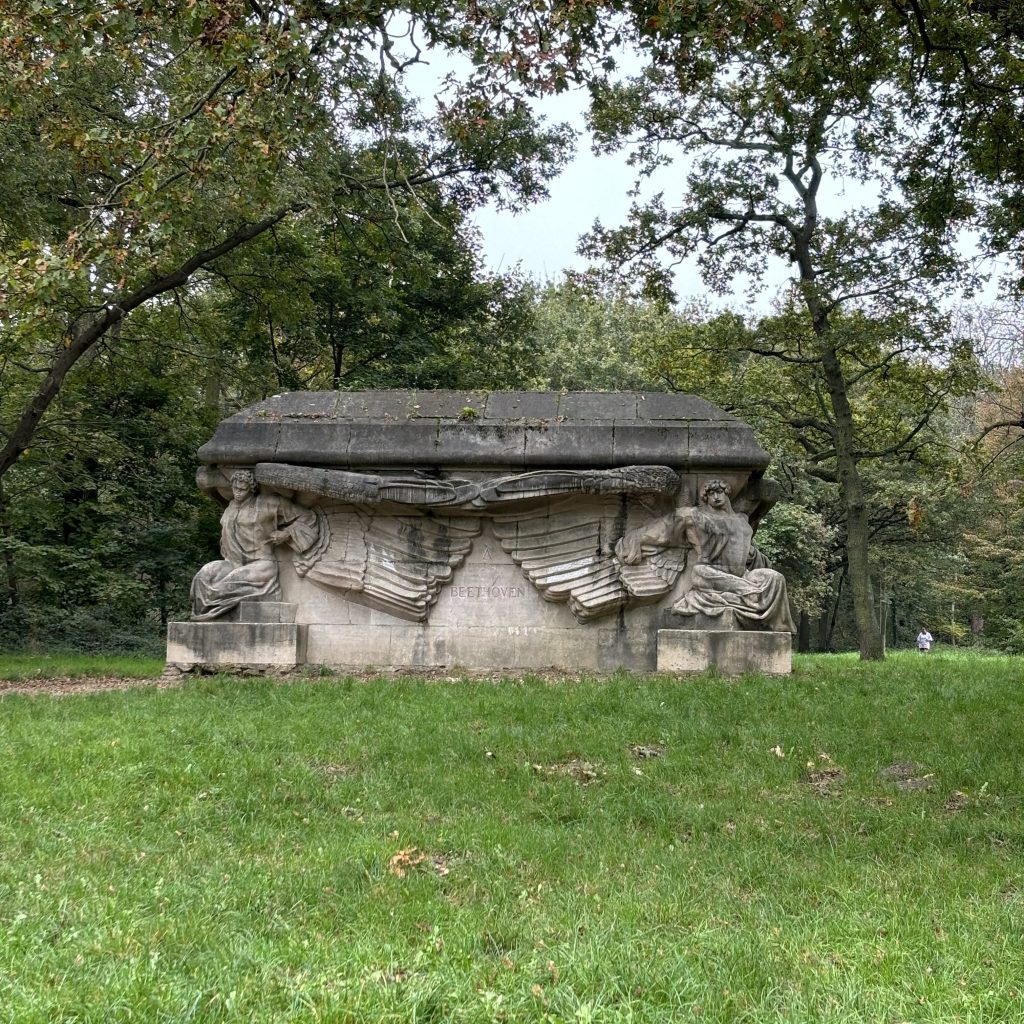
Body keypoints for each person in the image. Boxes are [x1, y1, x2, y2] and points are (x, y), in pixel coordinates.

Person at [615, 478, 795, 633]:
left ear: (727, 493)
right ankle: (750, 598)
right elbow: (661, 533)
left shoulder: (742, 521)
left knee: (776, 579)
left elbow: (748, 554)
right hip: (708, 573)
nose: (716, 497)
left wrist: (753, 556)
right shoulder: (694, 516)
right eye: (711, 493)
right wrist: (632, 542)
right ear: (705, 498)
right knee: (739, 587)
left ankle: (772, 621)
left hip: (741, 575)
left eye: (719, 492)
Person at [190, 469, 325, 621]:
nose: (237, 493)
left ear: (251, 489)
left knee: (225, 586)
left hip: (261, 565)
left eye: (242, 489)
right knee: (202, 577)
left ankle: (212, 618)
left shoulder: (269, 503)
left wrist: (286, 533)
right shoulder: (231, 507)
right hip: (233, 563)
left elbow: (307, 517)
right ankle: (205, 620)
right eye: (235, 488)